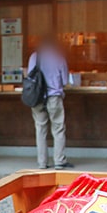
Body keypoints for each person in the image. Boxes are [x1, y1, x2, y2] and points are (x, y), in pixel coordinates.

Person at [27, 36, 71, 170]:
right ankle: (59, 161)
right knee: (58, 129)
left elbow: (30, 77)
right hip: (54, 97)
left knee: (40, 129)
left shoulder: (34, 57)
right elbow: (65, 81)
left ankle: (42, 162)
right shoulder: (59, 58)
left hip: (37, 98)